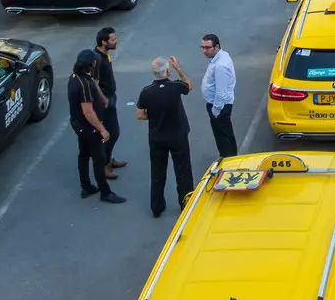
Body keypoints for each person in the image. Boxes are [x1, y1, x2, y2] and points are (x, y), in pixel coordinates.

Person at [135, 56, 195, 218]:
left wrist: (153, 115)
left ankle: (157, 206)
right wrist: (178, 68)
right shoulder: (175, 87)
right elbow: (189, 85)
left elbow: (140, 115)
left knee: (157, 171)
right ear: (167, 71)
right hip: (178, 135)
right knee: (183, 170)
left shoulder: (146, 92)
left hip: (157, 137)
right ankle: (186, 203)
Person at [68, 50, 123, 203]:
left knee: (84, 154)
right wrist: (102, 129)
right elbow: (88, 112)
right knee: (99, 159)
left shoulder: (75, 77)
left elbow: (93, 82)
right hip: (89, 128)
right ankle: (105, 192)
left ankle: (86, 186)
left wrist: (103, 98)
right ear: (90, 64)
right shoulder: (84, 85)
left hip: (78, 125)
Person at [93, 27, 126, 179]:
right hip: (105, 101)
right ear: (103, 42)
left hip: (111, 97)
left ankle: (108, 159)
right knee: (111, 133)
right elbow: (95, 83)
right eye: (112, 39)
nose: (115, 41)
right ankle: (104, 165)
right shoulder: (98, 60)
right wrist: (104, 100)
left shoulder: (105, 55)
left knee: (114, 132)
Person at [199, 32, 237, 158]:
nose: (204, 51)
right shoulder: (220, 57)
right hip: (219, 105)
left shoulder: (220, 66)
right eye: (203, 47)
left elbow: (221, 92)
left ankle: (228, 160)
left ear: (216, 47)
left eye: (207, 48)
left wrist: (215, 111)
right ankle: (230, 157)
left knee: (223, 137)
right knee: (225, 134)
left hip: (219, 107)